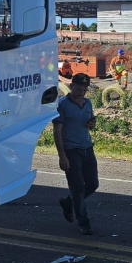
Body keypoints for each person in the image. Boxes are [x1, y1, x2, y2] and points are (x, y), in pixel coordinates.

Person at [53, 73, 98, 235]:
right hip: (71, 151)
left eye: (85, 90)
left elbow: (90, 122)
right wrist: (62, 156)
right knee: (78, 187)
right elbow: (57, 131)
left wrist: (92, 124)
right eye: (79, 89)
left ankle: (68, 202)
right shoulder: (62, 105)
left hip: (87, 147)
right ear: (71, 87)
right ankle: (83, 222)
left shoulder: (87, 103)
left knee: (92, 184)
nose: (81, 93)